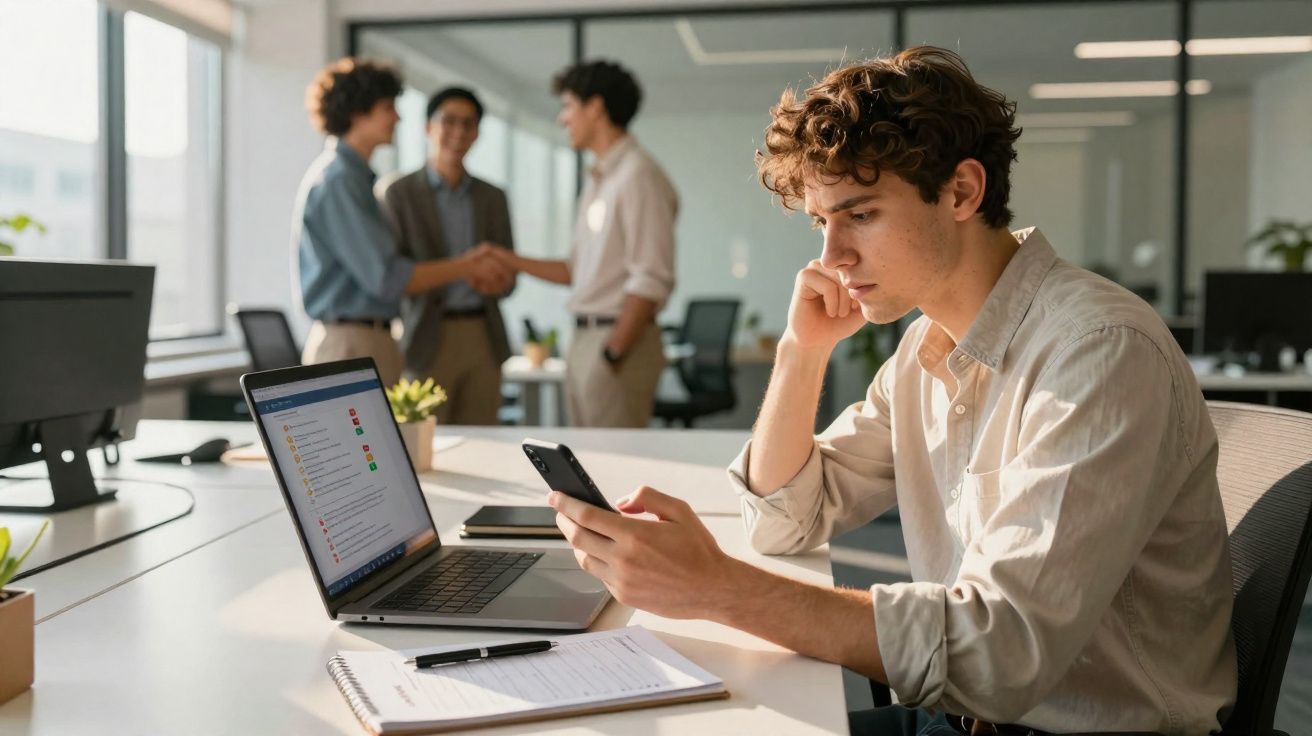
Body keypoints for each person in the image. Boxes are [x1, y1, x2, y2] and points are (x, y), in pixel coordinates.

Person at [544, 47, 1237, 735]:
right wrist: (802, 351)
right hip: (959, 713)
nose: (831, 257)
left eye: (861, 214)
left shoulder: (1096, 352)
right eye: (822, 223)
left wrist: (718, 589)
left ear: (963, 192)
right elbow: (784, 519)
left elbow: (1000, 653)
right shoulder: (924, 348)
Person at [485, 60, 676, 428]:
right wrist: (508, 259)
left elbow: (650, 278)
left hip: (616, 341)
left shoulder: (638, 176)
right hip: (586, 341)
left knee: (614, 472)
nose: (562, 119)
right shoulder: (599, 179)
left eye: (568, 106)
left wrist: (612, 353)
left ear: (596, 107)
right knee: (589, 468)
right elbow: (576, 270)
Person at [294, 59, 508, 387]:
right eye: (387, 107)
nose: (397, 117)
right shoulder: (339, 181)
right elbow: (389, 278)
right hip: (351, 341)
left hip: (371, 337)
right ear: (357, 113)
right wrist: (468, 265)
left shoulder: (358, 181)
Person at [379, 87, 515, 425]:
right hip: (426, 336)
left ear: (478, 133)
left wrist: (496, 279)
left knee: (485, 441)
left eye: (468, 124)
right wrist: (465, 267)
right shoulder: (398, 193)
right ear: (428, 127)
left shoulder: (492, 197)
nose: (458, 132)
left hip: (483, 335)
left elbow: (509, 276)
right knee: (423, 443)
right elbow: (394, 276)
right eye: (449, 121)